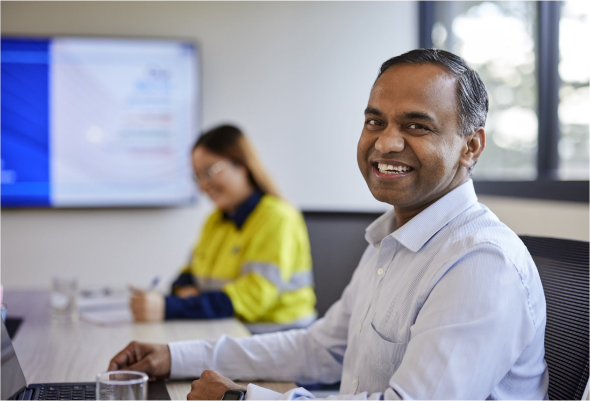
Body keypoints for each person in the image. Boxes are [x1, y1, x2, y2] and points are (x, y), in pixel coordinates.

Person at [109, 49, 549, 401]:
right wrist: (173, 356)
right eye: (375, 121)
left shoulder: (480, 263)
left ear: (471, 146)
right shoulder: (389, 241)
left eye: (417, 125)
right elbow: (321, 350)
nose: (386, 142)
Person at [130, 125, 317, 334]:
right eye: (198, 176)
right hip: (227, 331)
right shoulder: (216, 220)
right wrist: (183, 292)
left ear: (242, 164)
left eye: (209, 171)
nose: (202, 186)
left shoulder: (278, 218)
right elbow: (188, 272)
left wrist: (171, 307)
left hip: (276, 337)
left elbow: (252, 299)